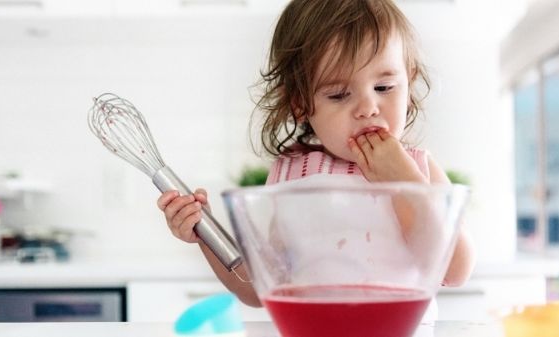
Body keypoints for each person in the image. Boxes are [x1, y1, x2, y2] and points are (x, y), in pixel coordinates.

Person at [157, 0, 475, 308]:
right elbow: (261, 289)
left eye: (384, 88)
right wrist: (206, 232)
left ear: (410, 82)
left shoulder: (419, 168)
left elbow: (456, 270)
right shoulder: (291, 175)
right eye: (338, 94)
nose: (368, 108)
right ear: (299, 103)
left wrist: (404, 180)